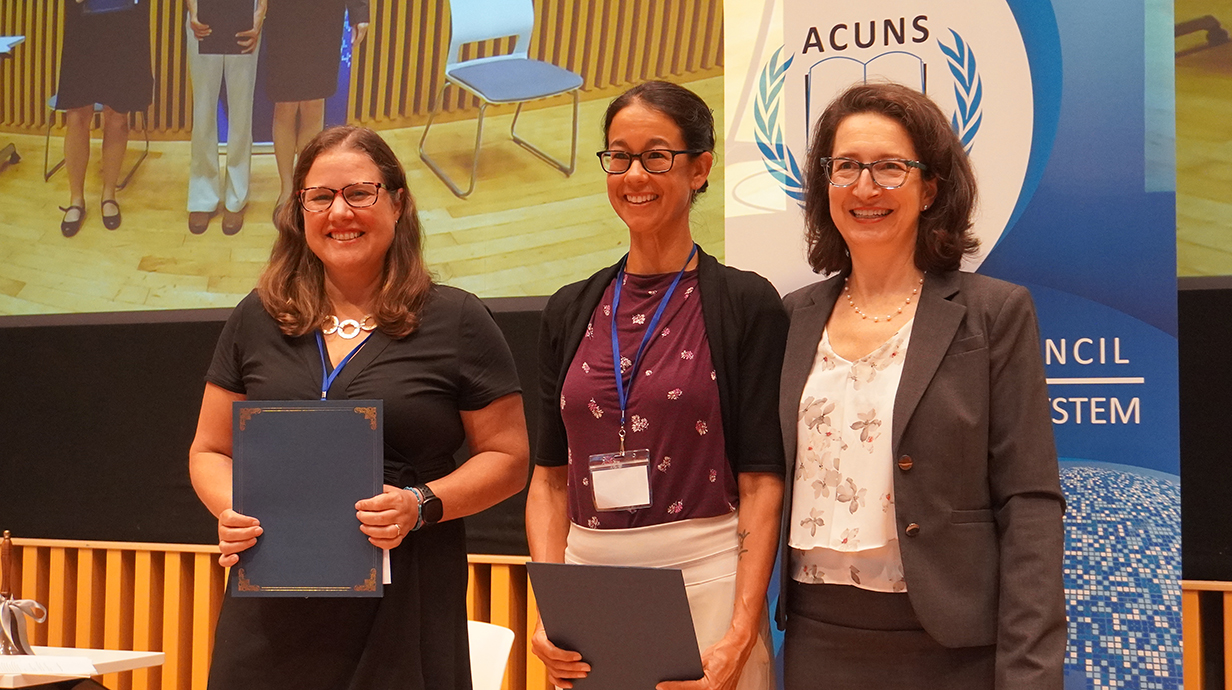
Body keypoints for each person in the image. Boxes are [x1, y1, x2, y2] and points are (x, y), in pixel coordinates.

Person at [188, 125, 528, 689]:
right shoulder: (257, 317)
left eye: (359, 193)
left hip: (405, 599)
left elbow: (509, 458)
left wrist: (421, 503)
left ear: (397, 202)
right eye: (320, 197)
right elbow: (209, 450)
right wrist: (235, 511)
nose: (338, 212)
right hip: (271, 604)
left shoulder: (459, 320)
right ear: (300, 212)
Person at [777, 82, 1065, 688]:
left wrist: (1030, 673)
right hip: (817, 640)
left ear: (930, 186)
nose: (864, 187)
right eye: (847, 166)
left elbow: (1029, 503)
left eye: (889, 167)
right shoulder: (792, 317)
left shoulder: (993, 314)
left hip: (951, 647)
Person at [527, 81, 788, 690]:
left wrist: (741, 632)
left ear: (700, 169)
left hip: (706, 580)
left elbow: (760, 482)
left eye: (656, 155)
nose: (633, 174)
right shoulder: (570, 309)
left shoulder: (745, 303)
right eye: (618, 156)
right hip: (589, 587)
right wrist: (552, 606)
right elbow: (547, 479)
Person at [56, 0, 153, 237]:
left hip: (126, 23)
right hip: (84, 24)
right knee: (77, 114)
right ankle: (76, 199)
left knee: (118, 115)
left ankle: (109, 195)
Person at [262, 0, 369, 208]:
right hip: (283, 16)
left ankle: (305, 185)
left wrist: (359, 12)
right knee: (285, 104)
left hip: (325, 15)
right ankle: (286, 189)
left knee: (314, 103)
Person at [185, 0, 267, 235]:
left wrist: (260, 13)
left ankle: (236, 196)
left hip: (244, 17)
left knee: (241, 110)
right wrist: (192, 9)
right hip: (202, 17)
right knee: (202, 110)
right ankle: (202, 195)